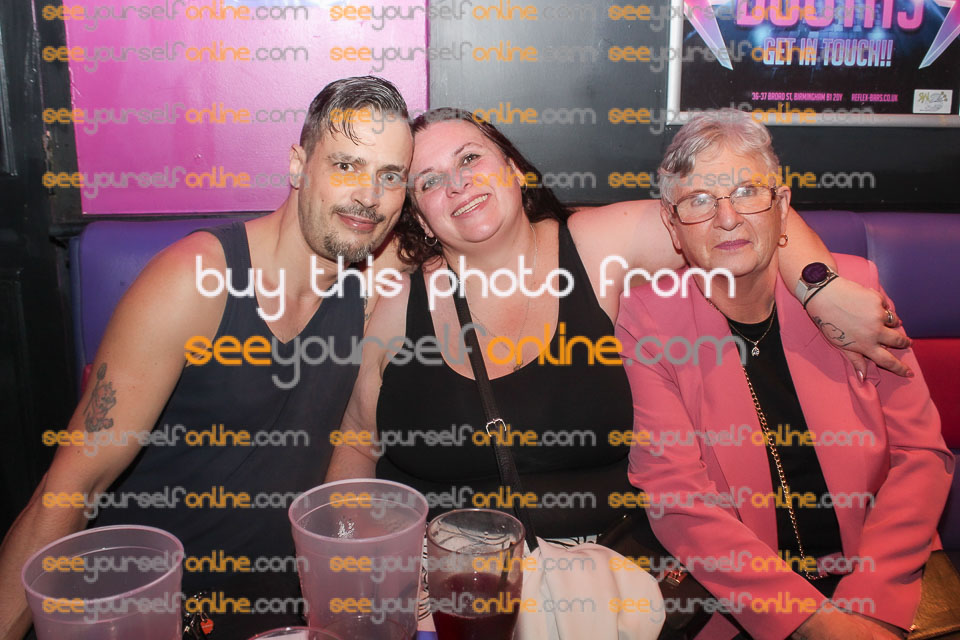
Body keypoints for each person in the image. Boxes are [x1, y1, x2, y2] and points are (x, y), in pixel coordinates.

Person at [325, 107, 912, 542]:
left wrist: (821, 288)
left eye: (470, 158)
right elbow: (356, 440)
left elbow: (734, 214)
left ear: (515, 169)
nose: (457, 184)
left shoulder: (597, 245)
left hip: (612, 572)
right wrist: (349, 558)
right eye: (429, 180)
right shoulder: (399, 302)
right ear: (420, 215)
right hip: (451, 581)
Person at [0, 76, 413, 639]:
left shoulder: (369, 285)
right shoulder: (196, 279)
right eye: (346, 165)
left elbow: (477, 242)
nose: (369, 195)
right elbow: (73, 486)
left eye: (390, 176)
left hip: (282, 616)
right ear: (297, 165)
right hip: (151, 613)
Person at [616, 109, 953, 640]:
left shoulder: (856, 294)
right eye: (699, 200)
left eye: (747, 191)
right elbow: (677, 497)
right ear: (672, 225)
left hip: (881, 586)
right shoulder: (649, 320)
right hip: (744, 608)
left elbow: (921, 453)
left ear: (782, 205)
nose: (728, 218)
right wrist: (811, 621)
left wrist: (869, 604)